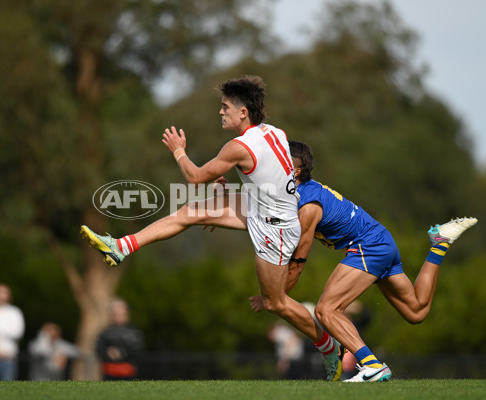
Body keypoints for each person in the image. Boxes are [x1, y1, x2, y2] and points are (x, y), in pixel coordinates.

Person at [80, 75, 345, 381]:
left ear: (243, 111)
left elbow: (194, 177)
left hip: (276, 228)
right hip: (260, 206)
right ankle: (120, 247)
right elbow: (268, 176)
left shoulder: (237, 147)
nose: (221, 112)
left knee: (276, 303)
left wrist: (179, 150)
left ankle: (328, 347)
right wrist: (224, 202)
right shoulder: (275, 132)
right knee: (190, 211)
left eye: (225, 107)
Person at [250, 140, 478, 382]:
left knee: (326, 310)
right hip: (381, 241)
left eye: (279, 162)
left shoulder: (307, 206)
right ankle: (440, 243)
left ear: (294, 171)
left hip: (369, 247)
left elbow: (297, 264)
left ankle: (371, 365)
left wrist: (274, 297)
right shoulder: (298, 194)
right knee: (416, 311)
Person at [0, 284, 25, 381]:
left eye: (4, 293)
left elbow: (18, 333)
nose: (0, 296)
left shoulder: (14, 312)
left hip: (7, 358)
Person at [95, 298, 143, 381]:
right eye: (116, 314)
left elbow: (138, 350)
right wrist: (109, 353)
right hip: (109, 372)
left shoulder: (133, 332)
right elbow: (98, 349)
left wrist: (122, 353)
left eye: (122, 313)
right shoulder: (106, 332)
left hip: (128, 373)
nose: (119, 316)